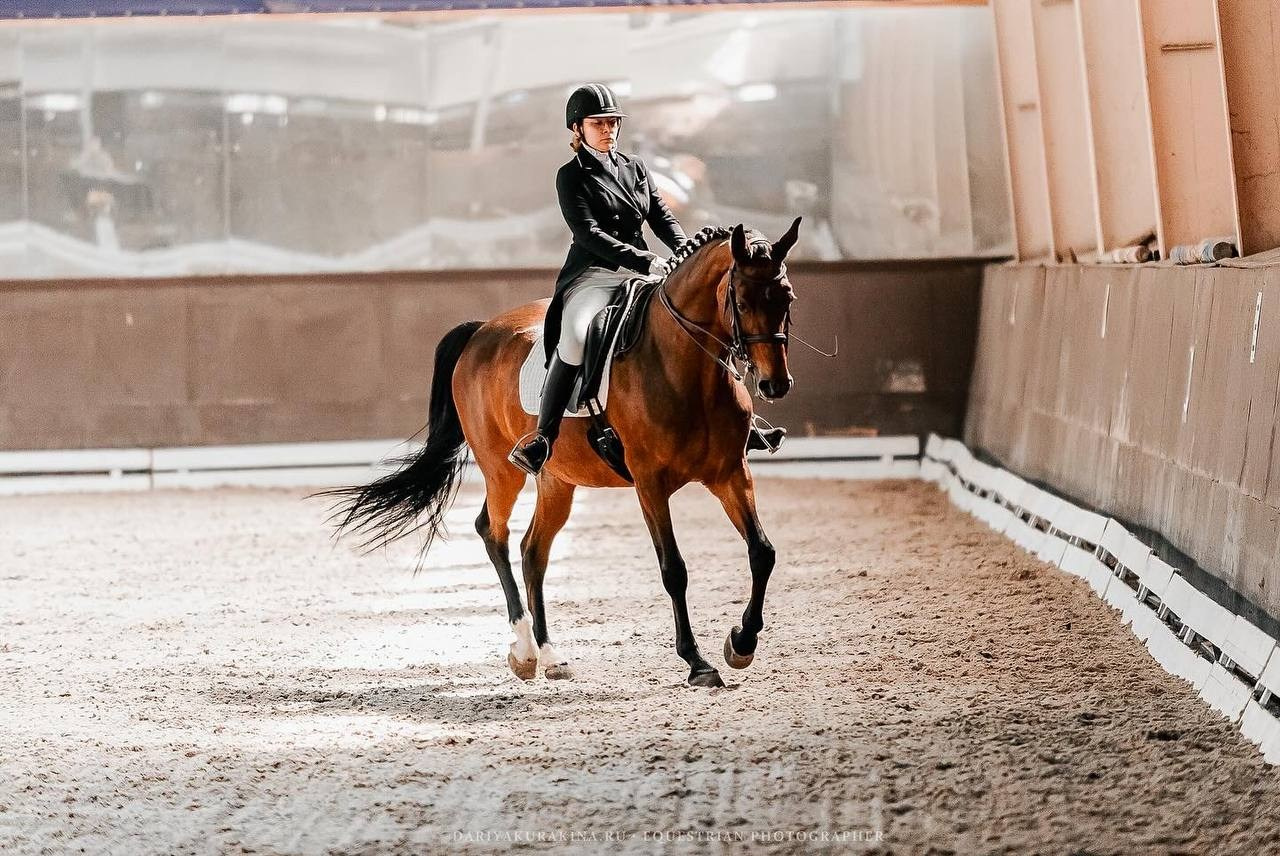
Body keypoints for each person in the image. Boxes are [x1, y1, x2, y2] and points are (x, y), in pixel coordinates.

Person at [508, 83, 785, 476]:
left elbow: (662, 218)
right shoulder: (570, 176)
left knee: (703, 322)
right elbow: (588, 234)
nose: (608, 130)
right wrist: (644, 259)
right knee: (575, 334)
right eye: (598, 123)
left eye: (613, 122)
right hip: (594, 275)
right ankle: (543, 437)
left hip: (644, 274)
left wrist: (686, 257)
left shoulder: (635, 167)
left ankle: (741, 420)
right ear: (577, 129)